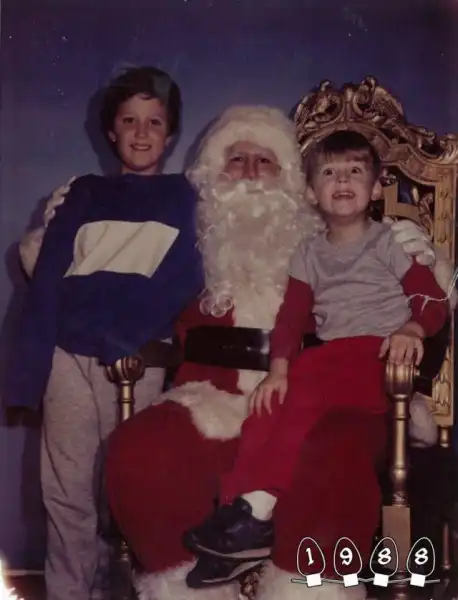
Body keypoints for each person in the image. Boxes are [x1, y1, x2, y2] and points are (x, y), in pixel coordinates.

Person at [20, 106, 452, 600]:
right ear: (213, 174)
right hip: (208, 393)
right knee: (139, 451)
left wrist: (427, 256)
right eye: (236, 159)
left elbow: (424, 294)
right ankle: (190, 589)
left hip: (328, 394)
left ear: (293, 182)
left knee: (334, 456)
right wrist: (64, 226)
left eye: (264, 161)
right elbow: (94, 267)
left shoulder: (329, 236)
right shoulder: (187, 234)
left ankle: (305, 589)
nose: (249, 172)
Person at [182, 130, 449, 577]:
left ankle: (255, 514)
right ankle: (237, 514)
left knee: (304, 394)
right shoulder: (307, 253)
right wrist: (277, 372)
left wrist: (411, 328)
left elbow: (433, 300)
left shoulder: (388, 243)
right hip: (328, 361)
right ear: (310, 192)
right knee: (267, 407)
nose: (342, 180)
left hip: (380, 358)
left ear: (376, 187)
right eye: (329, 172)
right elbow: (292, 318)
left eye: (355, 171)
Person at [8, 66, 204, 600]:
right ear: (111, 131)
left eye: (154, 122)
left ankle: (130, 590)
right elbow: (48, 278)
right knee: (66, 487)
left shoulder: (184, 198)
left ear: (171, 134)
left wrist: (129, 334)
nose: (141, 133)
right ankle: (72, 592)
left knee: (127, 484)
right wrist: (29, 371)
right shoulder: (83, 194)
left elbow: (182, 280)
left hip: (137, 356)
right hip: (69, 354)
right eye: (129, 120)